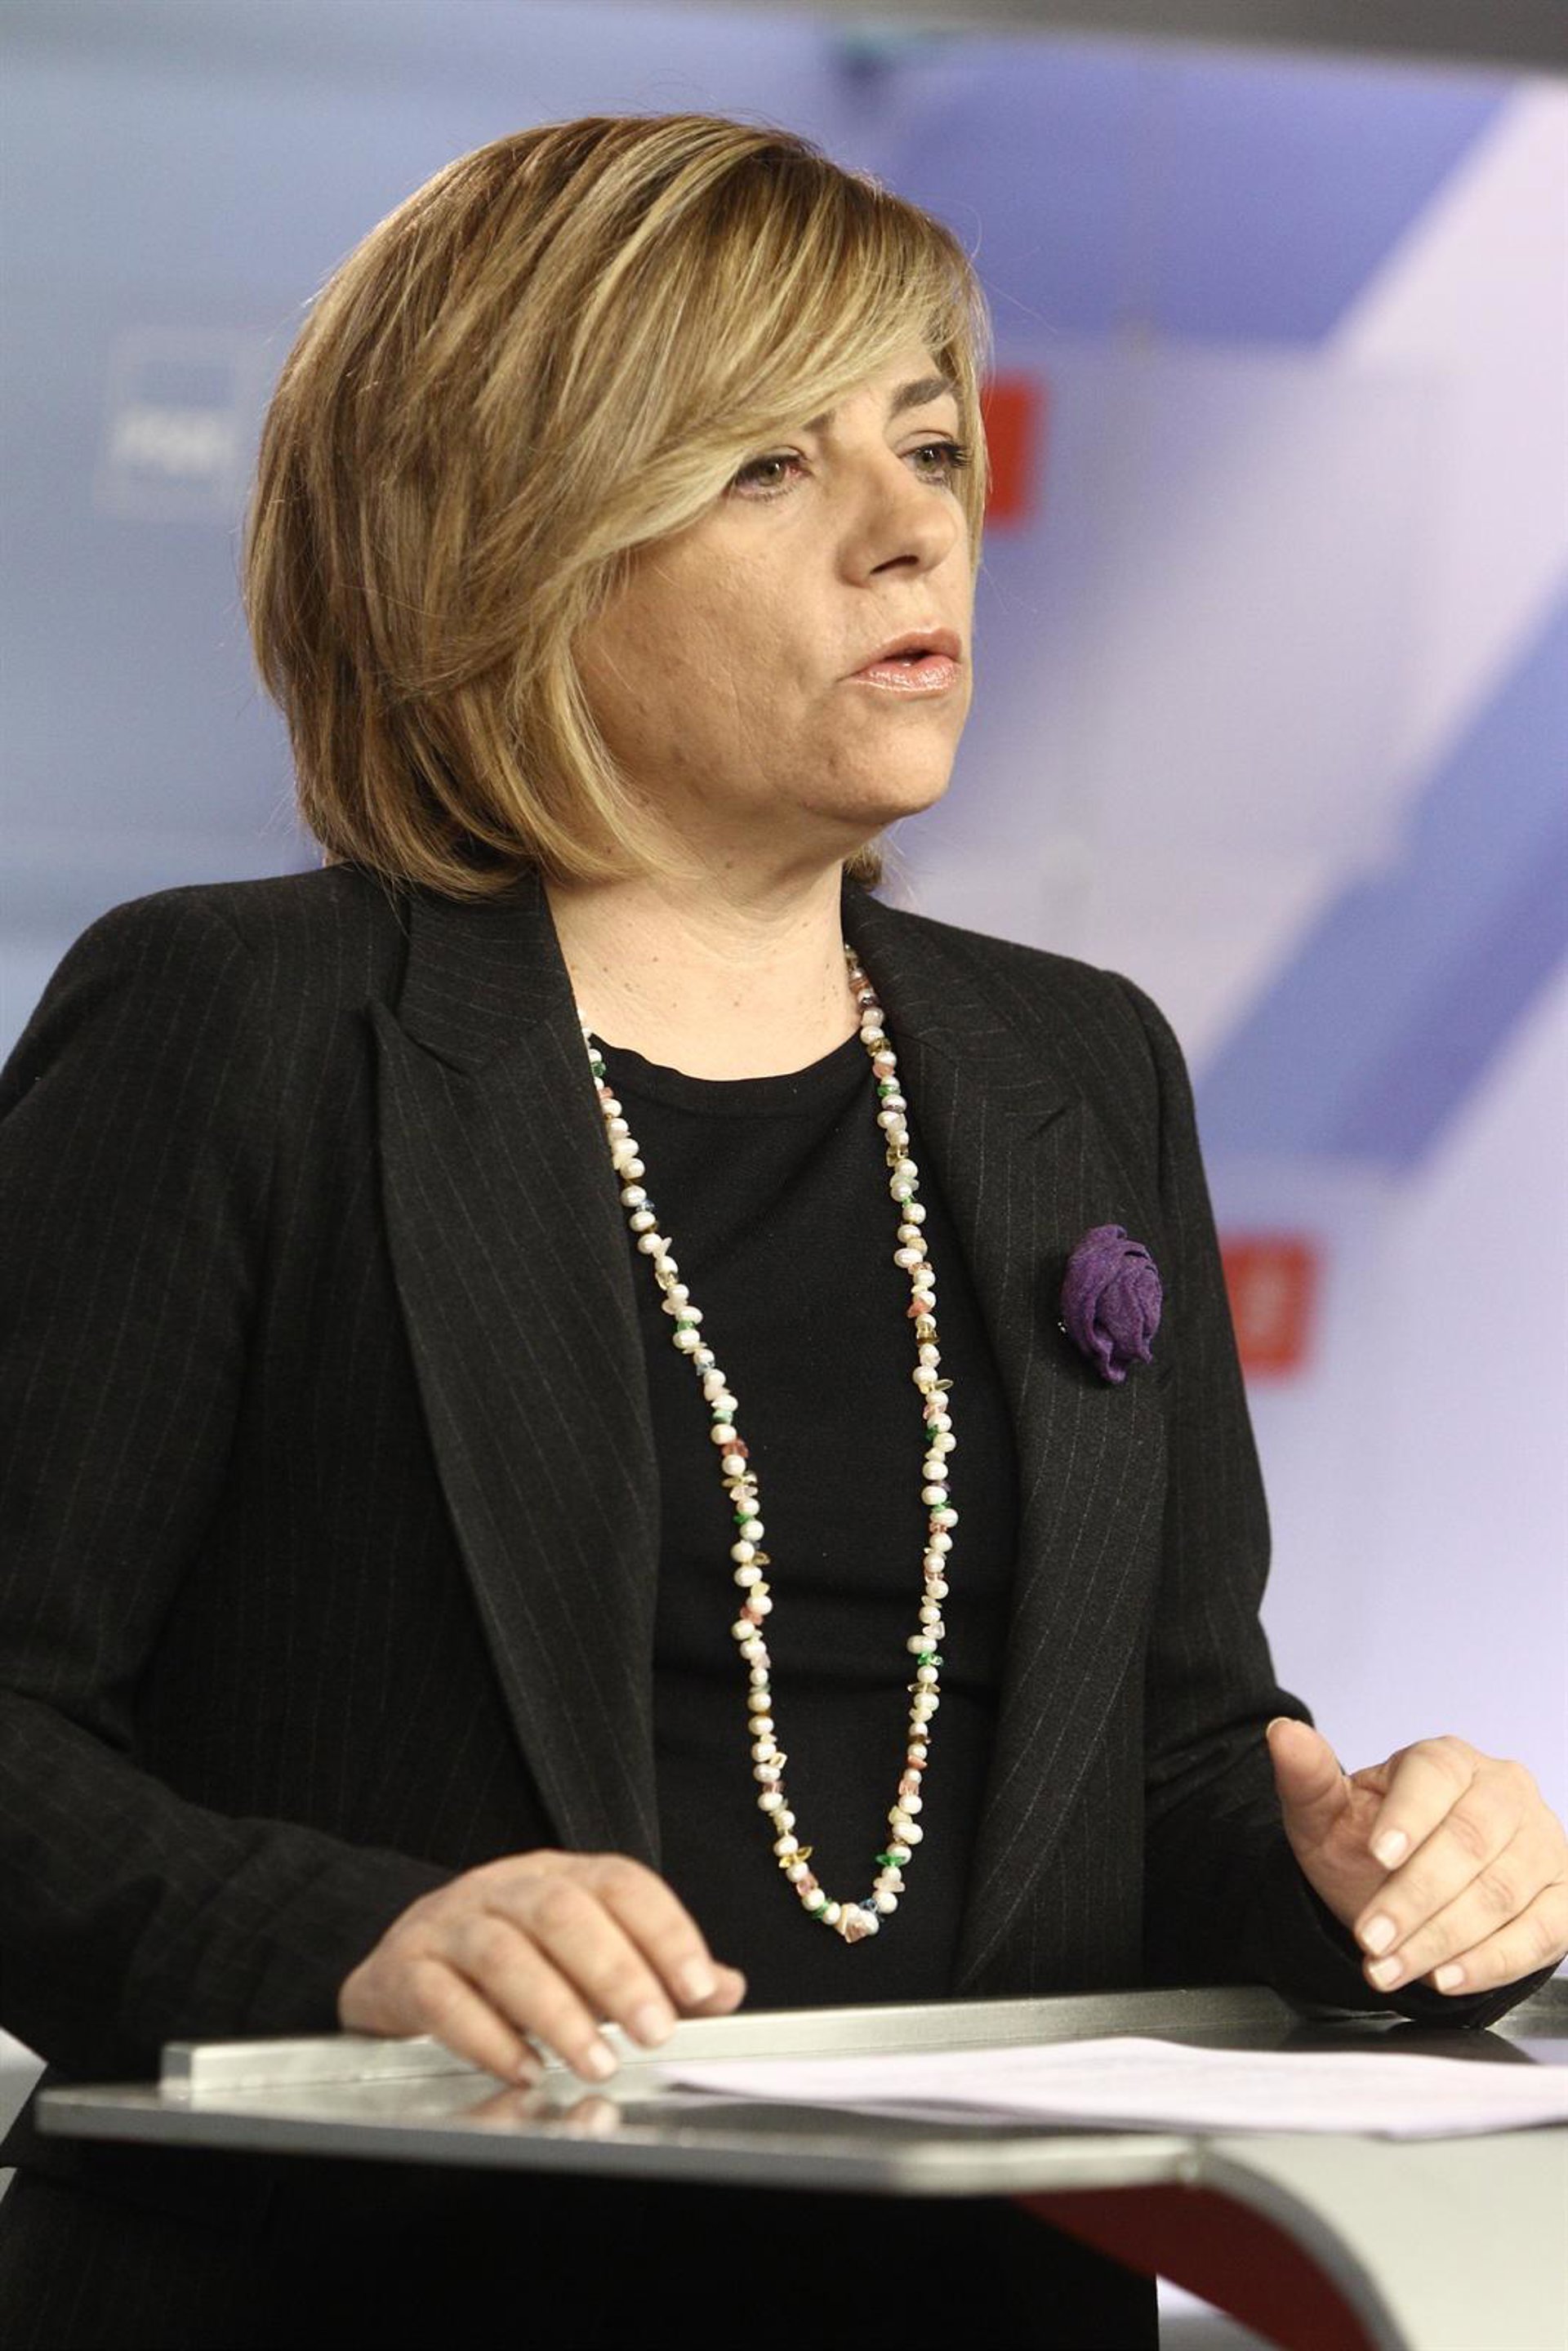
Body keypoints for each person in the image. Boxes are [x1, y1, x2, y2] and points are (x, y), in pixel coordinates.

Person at [0, 113, 1562, 2350]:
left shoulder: (1076, 1069)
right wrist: (340, 1946)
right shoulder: (243, 1024)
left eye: (925, 444)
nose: (910, 525)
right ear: (507, 542)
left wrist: (1381, 1886)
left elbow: (1173, 1767)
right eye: (764, 466)